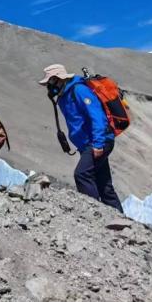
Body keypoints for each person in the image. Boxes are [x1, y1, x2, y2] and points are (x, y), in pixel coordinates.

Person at [39, 64, 123, 212]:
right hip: (88, 144)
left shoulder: (79, 90)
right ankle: (122, 223)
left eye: (50, 83)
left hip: (99, 141)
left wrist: (97, 144)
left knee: (82, 174)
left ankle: (95, 214)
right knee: (104, 185)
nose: (48, 87)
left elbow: (97, 116)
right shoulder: (64, 96)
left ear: (59, 79)